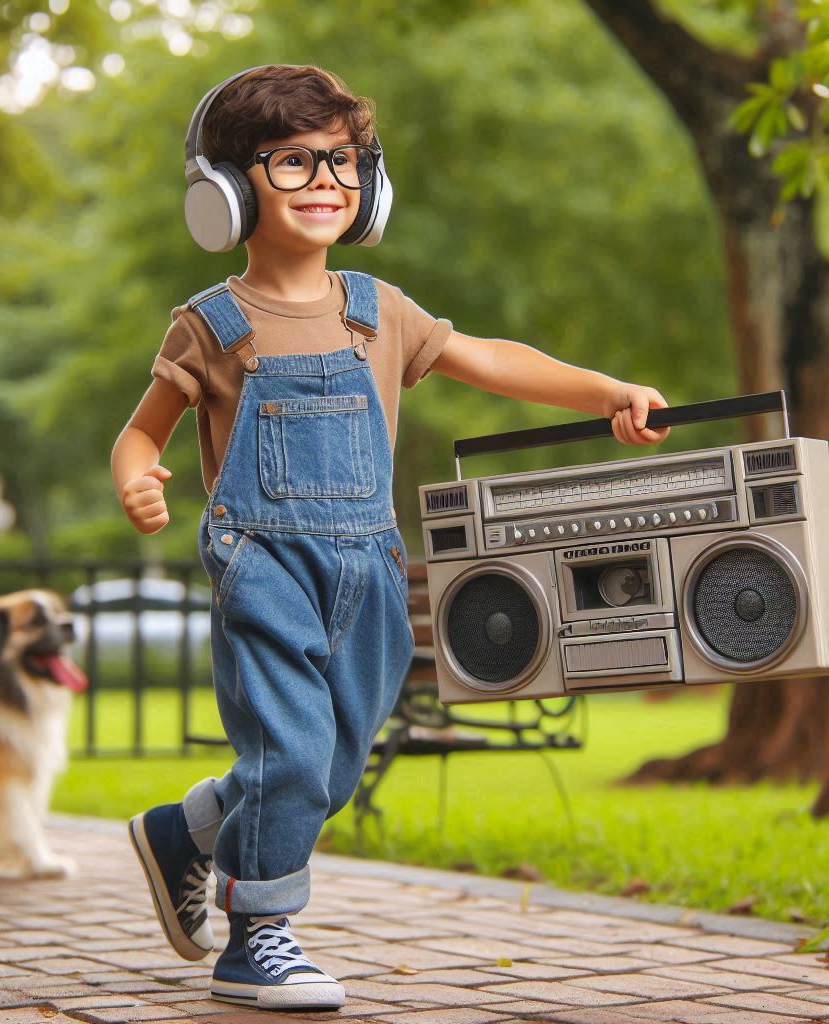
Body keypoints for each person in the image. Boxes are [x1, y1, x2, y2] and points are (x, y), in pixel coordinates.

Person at [111, 64, 670, 1012]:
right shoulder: (211, 324)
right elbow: (140, 430)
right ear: (227, 191)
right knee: (289, 752)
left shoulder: (380, 308)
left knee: (328, 764)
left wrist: (604, 390)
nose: (326, 179)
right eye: (292, 162)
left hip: (370, 567)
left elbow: (493, 358)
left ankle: (186, 832)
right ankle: (261, 938)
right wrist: (137, 476)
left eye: (342, 160)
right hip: (266, 564)